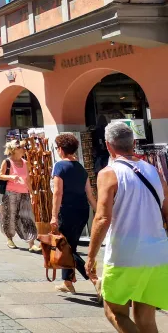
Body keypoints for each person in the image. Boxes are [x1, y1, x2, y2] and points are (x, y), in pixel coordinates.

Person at [87, 122, 168, 331]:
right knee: (146, 318)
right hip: (157, 255)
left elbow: (102, 218)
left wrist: (90, 256)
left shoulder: (108, 173)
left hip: (125, 255)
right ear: (133, 143)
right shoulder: (154, 171)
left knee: (114, 312)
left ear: (108, 145)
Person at [49, 133, 97, 293]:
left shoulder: (60, 166)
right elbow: (89, 194)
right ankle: (68, 282)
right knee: (70, 246)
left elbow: (57, 193)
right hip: (83, 211)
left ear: (61, 149)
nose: (57, 151)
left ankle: (95, 280)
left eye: (57, 148)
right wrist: (98, 211)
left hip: (67, 211)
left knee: (67, 248)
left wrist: (54, 215)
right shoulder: (81, 168)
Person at [0, 140, 39, 251]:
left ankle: (31, 244)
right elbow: (0, 176)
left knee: (28, 217)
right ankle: (10, 238)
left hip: (24, 193)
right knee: (10, 216)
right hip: (11, 193)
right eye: (22, 147)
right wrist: (11, 177)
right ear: (14, 150)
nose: (24, 149)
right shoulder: (7, 162)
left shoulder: (25, 163)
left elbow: (28, 180)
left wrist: (32, 193)